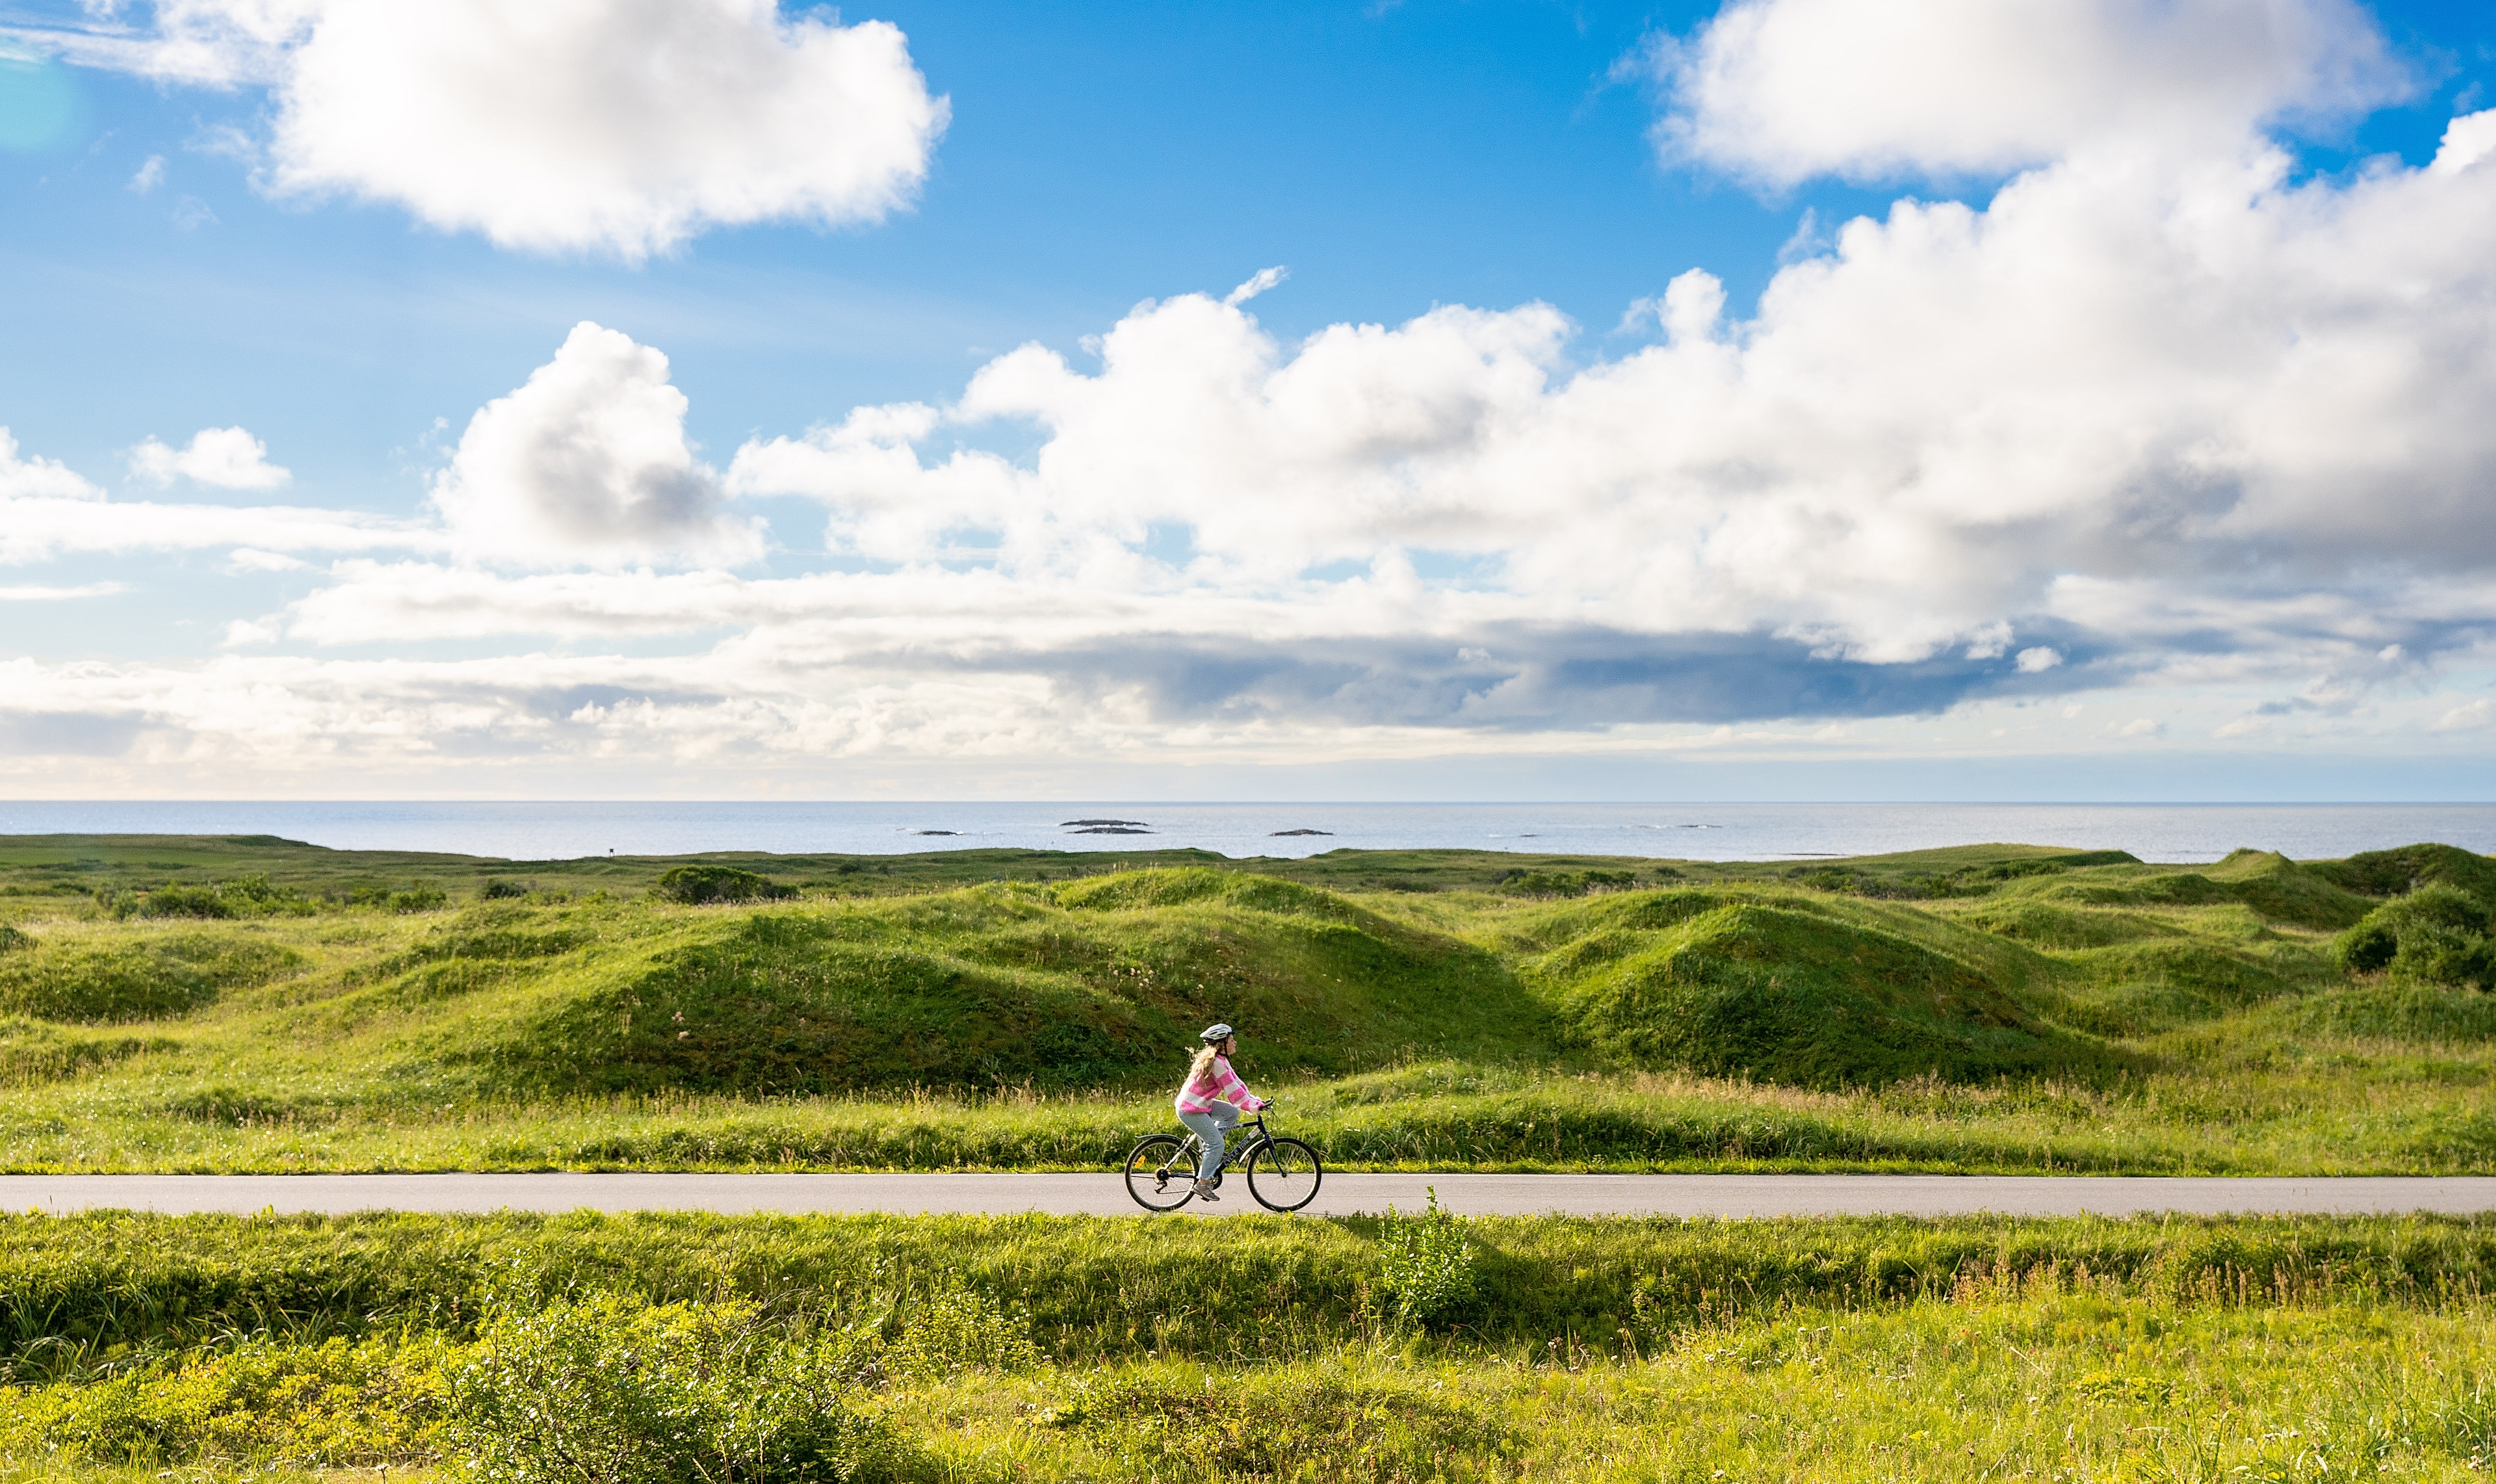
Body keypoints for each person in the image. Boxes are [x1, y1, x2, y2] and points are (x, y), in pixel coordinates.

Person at [1173, 1022, 1266, 1201]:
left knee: (1231, 1113)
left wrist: (1255, 1101)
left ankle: (1213, 1150)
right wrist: (1253, 1107)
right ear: (1222, 1043)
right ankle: (1202, 1184)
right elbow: (1234, 1093)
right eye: (1232, 1040)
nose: (1235, 1042)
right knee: (1217, 1144)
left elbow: (1238, 1085)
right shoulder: (1218, 1064)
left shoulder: (1221, 1061)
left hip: (1198, 1104)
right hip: (1190, 1109)